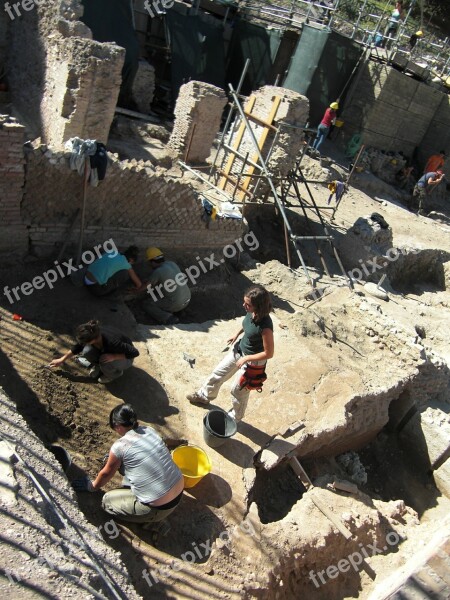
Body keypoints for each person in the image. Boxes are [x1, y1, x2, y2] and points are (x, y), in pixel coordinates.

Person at [72, 404, 184, 526]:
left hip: (159, 508)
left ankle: (151, 522)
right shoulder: (149, 430)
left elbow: (106, 473)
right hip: (179, 490)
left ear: (118, 426)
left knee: (107, 502)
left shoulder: (120, 446)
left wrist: (92, 486)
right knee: (128, 464)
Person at [186, 285, 274, 423]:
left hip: (253, 361)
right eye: (244, 302)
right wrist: (236, 334)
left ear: (258, 306)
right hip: (239, 350)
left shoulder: (266, 327)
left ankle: (235, 417)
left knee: (238, 390)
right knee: (218, 373)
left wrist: (246, 358)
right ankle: (204, 396)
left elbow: (269, 353)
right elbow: (246, 324)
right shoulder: (251, 312)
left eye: (247, 304)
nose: (243, 305)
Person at [48, 319, 139, 383]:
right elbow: (78, 347)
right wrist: (61, 360)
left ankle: (113, 374)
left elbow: (134, 352)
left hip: (125, 357)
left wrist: (114, 357)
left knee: (104, 360)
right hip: (107, 351)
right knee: (87, 351)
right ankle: (100, 366)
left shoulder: (112, 342)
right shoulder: (93, 332)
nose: (81, 343)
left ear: (93, 340)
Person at [141, 247, 191, 325]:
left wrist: (135, 290)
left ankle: (168, 318)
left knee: (148, 304)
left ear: (153, 262)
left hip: (177, 303)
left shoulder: (158, 271)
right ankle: (179, 312)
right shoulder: (171, 263)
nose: (149, 265)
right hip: (187, 298)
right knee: (164, 292)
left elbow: (145, 287)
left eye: (149, 262)